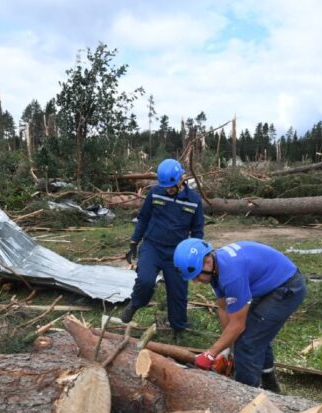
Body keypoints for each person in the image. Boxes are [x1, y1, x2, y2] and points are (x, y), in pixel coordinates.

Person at [173, 238, 306, 393]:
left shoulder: (231, 275)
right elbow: (224, 308)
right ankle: (270, 385)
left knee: (248, 342)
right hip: (270, 284)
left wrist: (210, 354)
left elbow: (238, 325)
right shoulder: (216, 268)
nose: (196, 281)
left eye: (196, 276)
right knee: (255, 333)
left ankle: (247, 395)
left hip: (287, 287)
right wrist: (226, 349)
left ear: (207, 262)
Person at [120, 159, 204, 332]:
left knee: (178, 292)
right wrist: (134, 242)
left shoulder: (194, 200)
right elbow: (143, 218)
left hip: (177, 252)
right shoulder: (155, 193)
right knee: (145, 281)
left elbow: (197, 231)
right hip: (152, 247)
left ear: (182, 179)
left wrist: (195, 257)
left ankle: (179, 329)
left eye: (171, 186)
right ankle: (135, 305)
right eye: (165, 186)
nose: (168, 189)